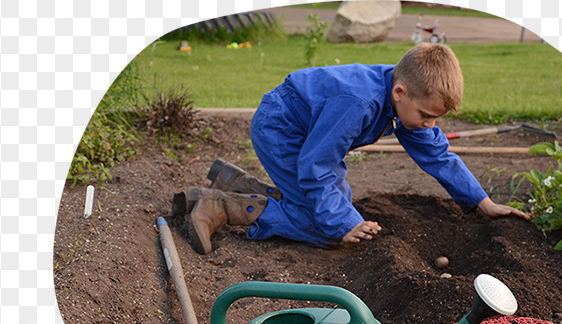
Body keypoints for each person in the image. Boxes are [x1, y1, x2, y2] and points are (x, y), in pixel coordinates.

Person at [183, 43, 529, 255]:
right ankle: (221, 207)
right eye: (426, 116)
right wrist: (342, 222)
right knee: (325, 227)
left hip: (308, 136)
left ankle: (242, 186)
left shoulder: (401, 99)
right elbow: (315, 166)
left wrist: (482, 202)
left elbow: (437, 154)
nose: (429, 125)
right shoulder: (358, 103)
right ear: (400, 92)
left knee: (334, 207)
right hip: (282, 129)